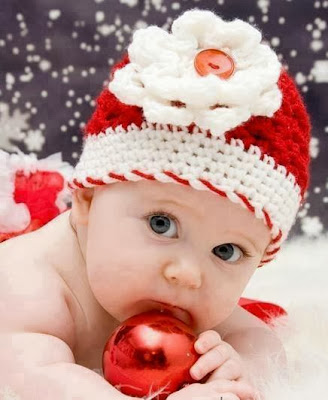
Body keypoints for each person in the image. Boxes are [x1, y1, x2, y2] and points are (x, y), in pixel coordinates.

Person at [0, 8, 311, 400]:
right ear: (87, 200)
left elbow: (262, 344)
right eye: (161, 224)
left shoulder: (180, 293)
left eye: (227, 251)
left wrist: (234, 368)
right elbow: (33, 374)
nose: (187, 273)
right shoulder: (31, 284)